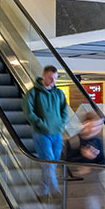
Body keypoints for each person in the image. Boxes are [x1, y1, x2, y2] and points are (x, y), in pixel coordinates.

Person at [22, 65, 69, 197]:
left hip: (57, 133)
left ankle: (43, 191)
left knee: (52, 163)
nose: (53, 81)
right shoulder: (33, 94)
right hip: (41, 134)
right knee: (48, 161)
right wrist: (41, 124)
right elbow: (28, 113)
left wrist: (61, 124)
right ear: (43, 76)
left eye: (55, 78)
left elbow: (64, 111)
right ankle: (55, 191)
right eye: (50, 78)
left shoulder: (59, 93)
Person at [61, 112, 105, 209]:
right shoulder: (73, 141)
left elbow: (104, 163)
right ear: (85, 124)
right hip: (75, 188)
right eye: (94, 125)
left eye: (98, 126)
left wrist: (91, 165)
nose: (96, 129)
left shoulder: (98, 141)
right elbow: (65, 162)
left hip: (92, 187)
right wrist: (82, 160)